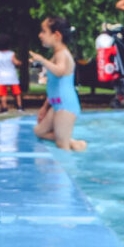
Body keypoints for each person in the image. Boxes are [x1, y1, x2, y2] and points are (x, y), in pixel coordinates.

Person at [29, 16, 86, 152]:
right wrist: (45, 107)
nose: (40, 35)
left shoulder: (62, 54)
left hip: (65, 106)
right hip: (56, 104)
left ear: (57, 35)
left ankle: (71, 160)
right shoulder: (56, 54)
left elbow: (60, 71)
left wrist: (42, 60)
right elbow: (54, 85)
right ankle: (74, 143)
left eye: (44, 31)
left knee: (61, 145)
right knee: (39, 131)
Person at [0, 33, 24, 113]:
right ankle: (20, 107)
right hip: (12, 75)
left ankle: (4, 108)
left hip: (2, 76)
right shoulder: (11, 54)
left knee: (3, 94)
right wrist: (19, 63)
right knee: (17, 92)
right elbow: (15, 62)